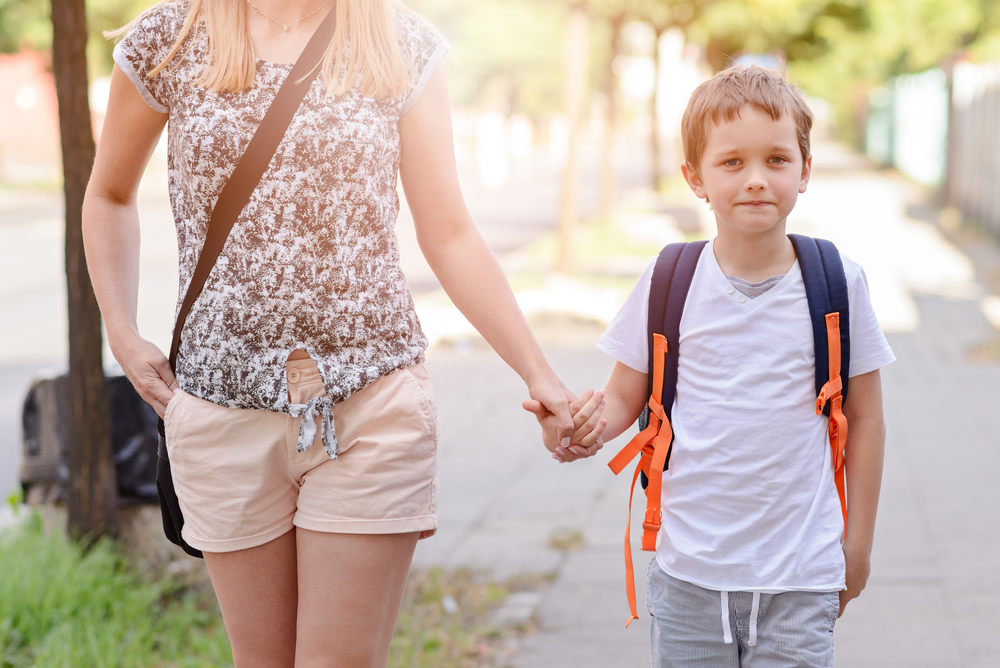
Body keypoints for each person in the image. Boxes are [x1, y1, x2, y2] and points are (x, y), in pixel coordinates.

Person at [81, 0, 601, 665]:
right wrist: (121, 331)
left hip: (370, 402)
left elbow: (450, 233)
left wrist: (539, 374)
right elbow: (109, 194)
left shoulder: (397, 41)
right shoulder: (175, 34)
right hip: (221, 411)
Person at [530, 66, 895, 665]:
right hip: (689, 577)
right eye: (732, 163)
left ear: (805, 170)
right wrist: (576, 427)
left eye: (776, 159)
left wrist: (858, 546)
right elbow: (626, 398)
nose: (756, 180)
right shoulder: (670, 280)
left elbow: (868, 420)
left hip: (800, 575)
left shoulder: (837, 282)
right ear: (694, 178)